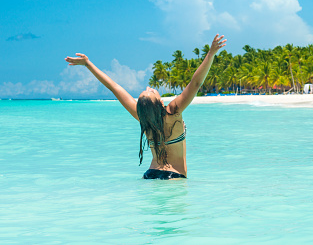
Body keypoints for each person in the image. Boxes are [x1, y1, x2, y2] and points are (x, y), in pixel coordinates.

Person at [65, 34, 227, 180]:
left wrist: (88, 64)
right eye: (150, 92)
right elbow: (196, 83)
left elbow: (114, 88)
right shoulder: (173, 111)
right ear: (160, 103)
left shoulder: (143, 118)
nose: (150, 88)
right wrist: (210, 54)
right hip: (173, 175)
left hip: (150, 174)